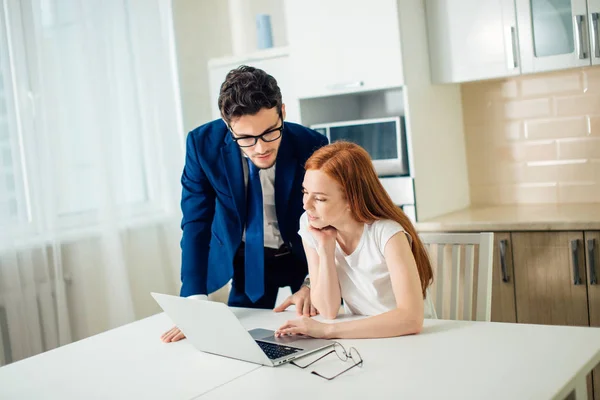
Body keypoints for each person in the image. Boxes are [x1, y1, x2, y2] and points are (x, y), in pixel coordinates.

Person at [161, 66, 328, 343]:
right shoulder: (202, 146)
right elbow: (195, 223)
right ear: (228, 126)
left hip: (304, 255)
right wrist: (193, 300)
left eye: (270, 132)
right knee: (244, 344)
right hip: (248, 263)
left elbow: (328, 221)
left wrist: (315, 281)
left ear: (282, 112)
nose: (260, 148)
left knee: (317, 336)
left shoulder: (311, 144)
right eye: (246, 139)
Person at [275, 141, 436, 340]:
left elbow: (410, 319)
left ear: (352, 200)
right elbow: (327, 309)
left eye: (320, 199)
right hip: (361, 335)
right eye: (305, 192)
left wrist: (326, 331)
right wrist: (325, 249)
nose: (306, 205)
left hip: (410, 338)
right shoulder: (312, 224)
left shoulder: (387, 234)